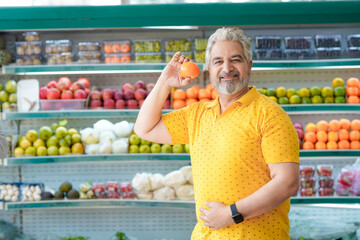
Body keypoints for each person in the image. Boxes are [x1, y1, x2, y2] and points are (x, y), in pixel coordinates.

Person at [134, 27, 300, 240]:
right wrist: (165, 82)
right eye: (218, 61)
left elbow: (288, 182)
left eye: (236, 59)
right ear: (209, 69)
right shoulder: (197, 115)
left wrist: (232, 214)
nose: (227, 68)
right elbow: (144, 129)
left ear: (249, 65)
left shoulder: (269, 115)